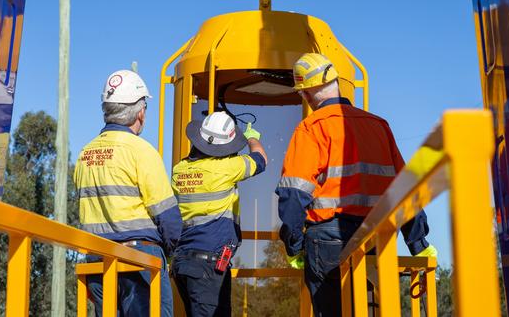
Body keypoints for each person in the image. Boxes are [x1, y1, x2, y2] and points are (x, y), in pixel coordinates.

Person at [275, 53, 437, 316]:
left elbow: (294, 194)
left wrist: (293, 245)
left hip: (328, 240)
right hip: (376, 239)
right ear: (336, 82)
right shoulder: (379, 126)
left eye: (303, 92)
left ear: (309, 92)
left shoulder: (311, 128)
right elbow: (406, 190)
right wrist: (418, 243)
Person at [74, 70, 182, 317]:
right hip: (140, 259)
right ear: (141, 112)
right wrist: (172, 253)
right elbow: (168, 218)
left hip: (96, 261)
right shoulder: (140, 151)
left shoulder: (85, 154)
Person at [170, 111, 267, 316]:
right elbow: (260, 159)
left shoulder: (179, 169)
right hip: (208, 265)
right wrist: (252, 138)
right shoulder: (227, 168)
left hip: (183, 261)